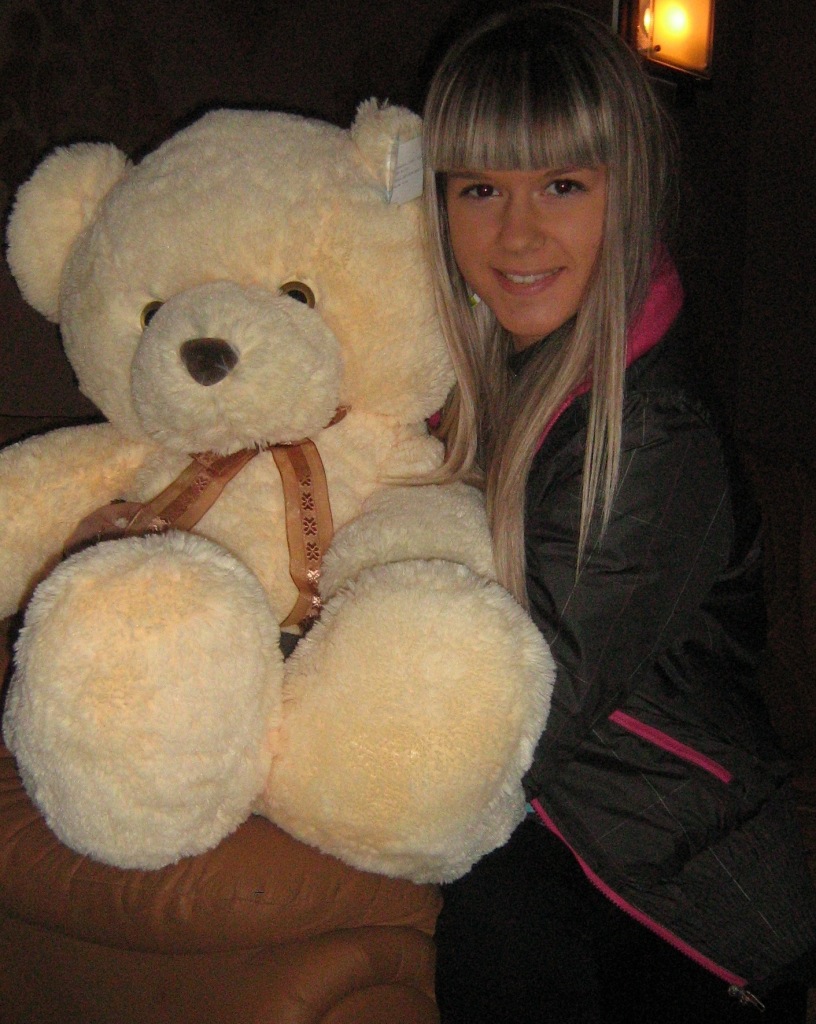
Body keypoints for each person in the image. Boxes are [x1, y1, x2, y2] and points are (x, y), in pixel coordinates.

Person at [420, 4, 816, 1022]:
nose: (516, 233)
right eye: (479, 188)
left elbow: (514, 724)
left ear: (627, 191)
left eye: (563, 184)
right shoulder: (473, 379)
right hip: (574, 850)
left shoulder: (651, 434)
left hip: (688, 905)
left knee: (490, 900)